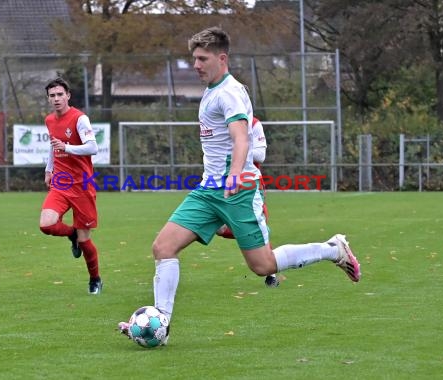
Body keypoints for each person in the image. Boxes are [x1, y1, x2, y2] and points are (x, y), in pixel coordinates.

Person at [119, 27, 360, 342]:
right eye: (194, 58)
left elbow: (240, 136)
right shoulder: (211, 91)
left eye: (202, 58)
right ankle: (161, 324)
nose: (196, 65)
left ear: (222, 58)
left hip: (238, 190)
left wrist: (234, 173)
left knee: (263, 265)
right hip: (208, 191)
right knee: (163, 247)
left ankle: (332, 249)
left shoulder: (230, 92)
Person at [39, 77, 103, 295]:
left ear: (68, 96)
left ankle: (95, 279)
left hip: (82, 185)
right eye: (52, 95)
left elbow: (93, 148)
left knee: (86, 241)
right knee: (46, 225)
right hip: (61, 182)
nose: (56, 99)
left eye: (59, 94)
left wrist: (67, 147)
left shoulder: (79, 119)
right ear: (48, 99)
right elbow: (53, 146)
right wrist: (49, 169)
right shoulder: (49, 120)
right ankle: (71, 234)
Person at [215, 116, 279, 288]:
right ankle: (260, 228)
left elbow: (261, 155)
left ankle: (271, 274)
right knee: (219, 229)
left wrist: (239, 148)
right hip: (220, 182)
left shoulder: (254, 124)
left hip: (248, 183)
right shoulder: (220, 122)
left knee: (252, 225)